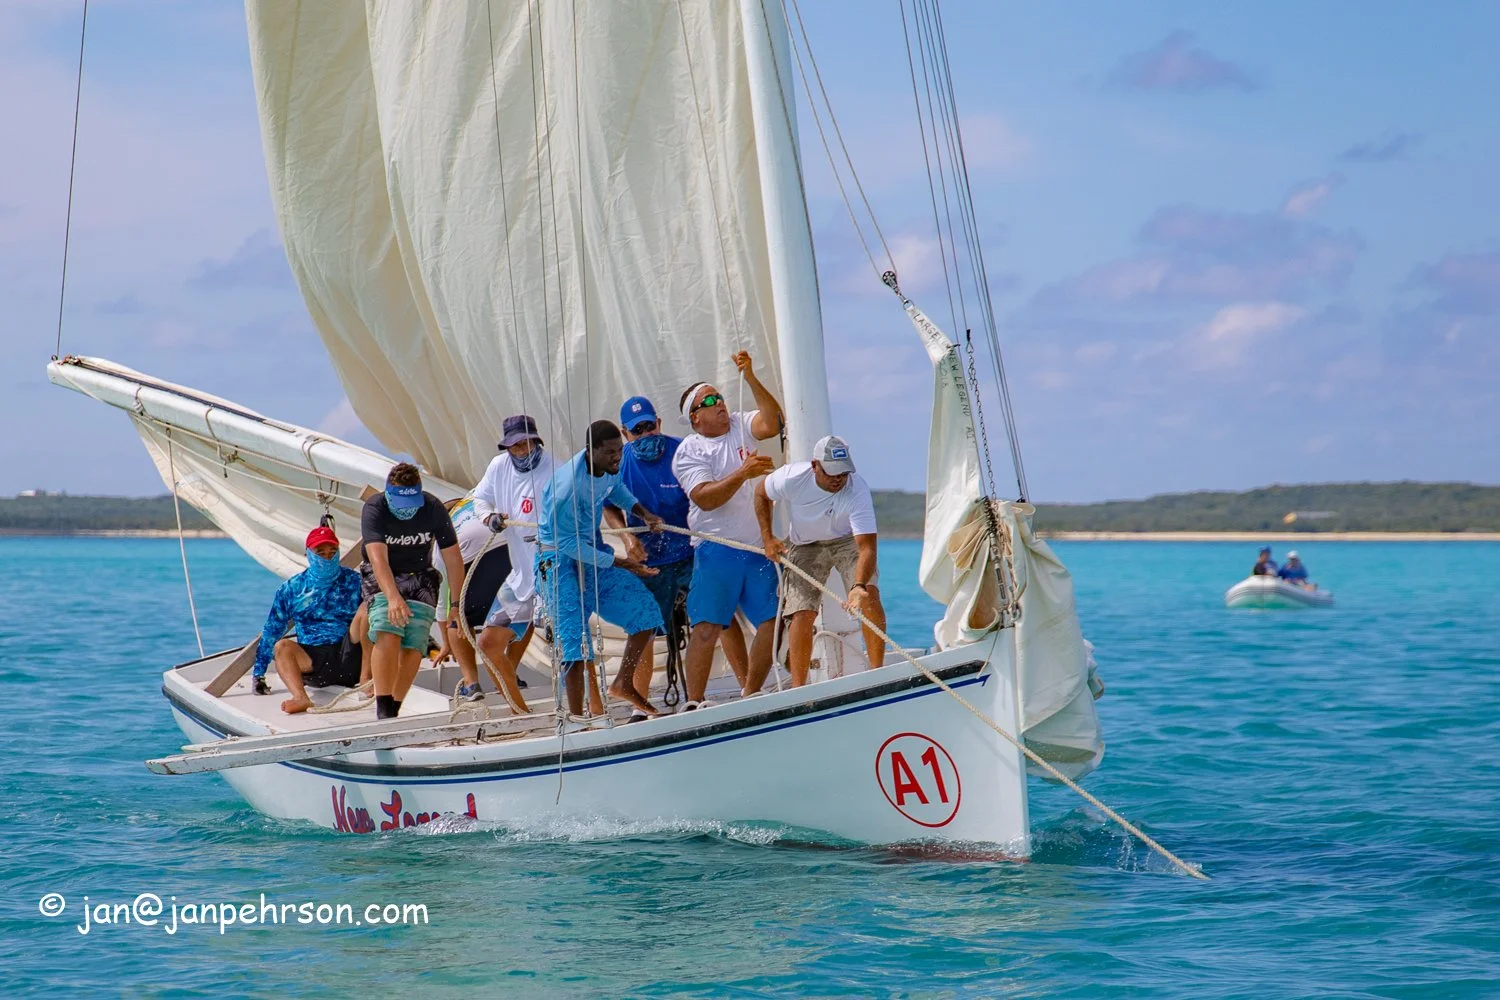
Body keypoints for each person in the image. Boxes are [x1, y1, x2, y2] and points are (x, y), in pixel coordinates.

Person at [613, 395, 750, 703]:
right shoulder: (618, 463)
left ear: (659, 424)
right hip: (650, 559)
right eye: (638, 430)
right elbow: (608, 506)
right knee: (643, 626)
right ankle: (640, 704)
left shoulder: (682, 450)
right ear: (626, 433)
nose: (646, 434)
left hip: (691, 551)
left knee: (720, 616)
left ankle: (747, 688)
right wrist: (627, 538)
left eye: (650, 426)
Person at [671, 352, 784, 707]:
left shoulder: (738, 422)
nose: (719, 403)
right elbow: (705, 499)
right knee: (706, 627)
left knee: (772, 620)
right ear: (695, 416)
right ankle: (695, 702)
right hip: (716, 549)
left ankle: (751, 691)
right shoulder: (689, 450)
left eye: (719, 396)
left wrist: (749, 376)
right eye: (709, 401)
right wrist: (743, 474)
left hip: (755, 547)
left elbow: (773, 423)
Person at [536, 420, 665, 719]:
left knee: (646, 613)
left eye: (619, 450)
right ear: (590, 451)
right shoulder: (566, 488)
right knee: (574, 642)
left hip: (592, 548)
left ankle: (623, 683)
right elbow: (565, 541)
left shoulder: (608, 467)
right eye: (609, 453)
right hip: (556, 557)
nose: (617, 457)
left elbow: (615, 489)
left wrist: (643, 513)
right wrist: (621, 562)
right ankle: (578, 718)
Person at [756, 434, 887, 686]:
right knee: (801, 612)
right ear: (815, 465)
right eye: (832, 473)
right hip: (805, 544)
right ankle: (798, 688)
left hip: (846, 539)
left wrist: (858, 586)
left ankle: (877, 674)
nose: (838, 479)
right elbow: (760, 493)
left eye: (843, 473)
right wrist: (768, 538)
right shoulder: (791, 477)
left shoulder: (856, 489)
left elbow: (867, 547)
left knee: (869, 594)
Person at [360, 463, 466, 720]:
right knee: (388, 628)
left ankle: (394, 707)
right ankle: (383, 709)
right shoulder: (375, 508)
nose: (405, 508)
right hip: (383, 573)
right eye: (399, 500)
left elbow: (453, 559)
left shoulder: (432, 507)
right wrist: (394, 598)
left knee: (415, 641)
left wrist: (456, 606)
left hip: (420, 574)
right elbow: (377, 559)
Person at [472, 415, 559, 714]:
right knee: (487, 644)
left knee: (565, 645)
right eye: (515, 445)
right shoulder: (498, 467)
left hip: (554, 572)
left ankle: (587, 709)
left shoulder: (557, 469)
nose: (522, 449)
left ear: (536, 440)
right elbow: (480, 500)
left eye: (526, 443)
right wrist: (489, 518)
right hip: (521, 575)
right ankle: (520, 711)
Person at [251, 525, 363, 714]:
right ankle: (300, 697)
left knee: (369, 610)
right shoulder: (292, 588)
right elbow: (272, 630)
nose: (327, 557)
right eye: (321, 553)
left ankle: (371, 679)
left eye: (332, 552)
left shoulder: (355, 581)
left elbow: (383, 612)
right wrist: (258, 673)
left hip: (351, 653)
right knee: (282, 646)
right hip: (313, 660)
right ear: (309, 554)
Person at [434, 491, 514, 702]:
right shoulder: (479, 499)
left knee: (458, 617)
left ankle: (471, 683)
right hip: (508, 550)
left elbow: (443, 606)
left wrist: (446, 644)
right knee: (524, 611)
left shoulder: (442, 534)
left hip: (473, 562)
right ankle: (510, 673)